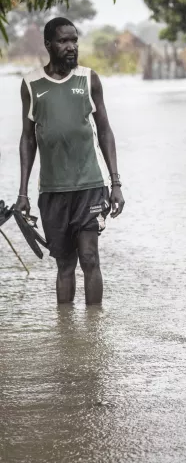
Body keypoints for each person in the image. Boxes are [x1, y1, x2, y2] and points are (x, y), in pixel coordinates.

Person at [15, 17, 125, 305]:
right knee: (64, 266)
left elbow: (105, 131)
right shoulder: (31, 85)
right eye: (63, 41)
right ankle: (66, 335)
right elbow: (28, 140)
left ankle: (91, 333)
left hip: (89, 186)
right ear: (49, 44)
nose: (71, 47)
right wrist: (23, 193)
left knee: (89, 258)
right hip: (52, 192)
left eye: (74, 40)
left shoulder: (89, 80)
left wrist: (116, 183)